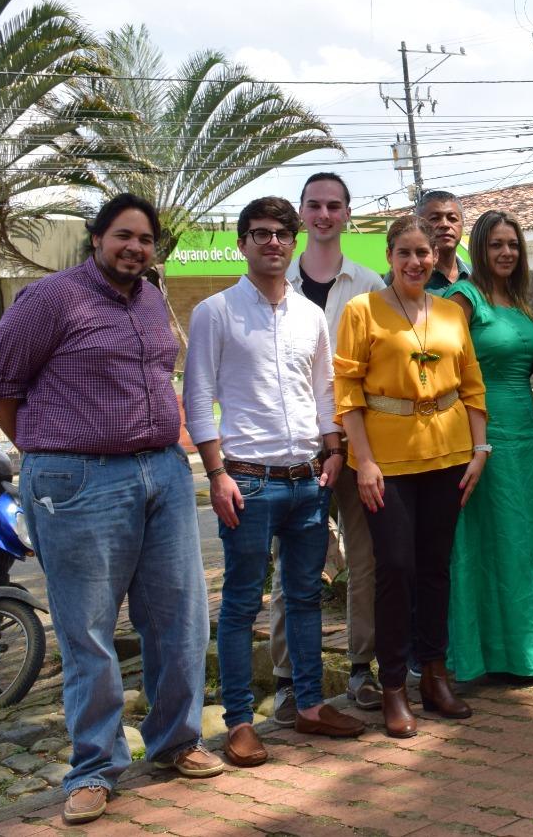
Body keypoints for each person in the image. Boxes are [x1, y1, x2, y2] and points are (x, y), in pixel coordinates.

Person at [0, 194, 223, 826]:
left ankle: (175, 742)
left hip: (162, 474)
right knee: (87, 630)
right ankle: (93, 768)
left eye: (145, 239)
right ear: (97, 238)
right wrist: (49, 447)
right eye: (123, 236)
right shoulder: (51, 299)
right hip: (77, 479)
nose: (134, 248)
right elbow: (0, 385)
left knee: (180, 617)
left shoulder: (150, 298)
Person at [184, 197, 366, 767]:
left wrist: (333, 451)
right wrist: (216, 473)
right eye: (259, 234)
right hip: (247, 480)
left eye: (281, 234)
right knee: (241, 604)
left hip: (308, 479)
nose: (272, 243)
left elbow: (323, 391)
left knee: (306, 596)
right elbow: (197, 397)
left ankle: (309, 706)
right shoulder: (215, 311)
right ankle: (239, 720)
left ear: (292, 243)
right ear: (242, 243)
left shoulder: (310, 316)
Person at [334, 215, 489, 735]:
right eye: (404, 252)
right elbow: (348, 391)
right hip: (386, 462)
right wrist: (365, 461)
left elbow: (472, 385)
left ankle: (435, 673)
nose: (415, 262)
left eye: (423, 252)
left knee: (435, 569)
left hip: (447, 457)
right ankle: (394, 683)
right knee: (395, 569)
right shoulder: (362, 310)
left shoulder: (451, 312)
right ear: (390, 255)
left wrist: (479, 448)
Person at [441, 211, 533, 681]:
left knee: (530, 536)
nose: (506, 253)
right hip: (482, 429)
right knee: (489, 538)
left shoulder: (522, 302)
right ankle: (490, 656)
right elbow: (445, 366)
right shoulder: (463, 298)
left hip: (526, 425)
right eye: (496, 244)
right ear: (479, 248)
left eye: (513, 245)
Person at [277, 171, 387, 716]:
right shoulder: (274, 286)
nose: (324, 214)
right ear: (302, 213)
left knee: (365, 558)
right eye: (314, 205)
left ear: (348, 214)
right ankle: (287, 680)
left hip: (357, 441)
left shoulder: (369, 285)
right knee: (293, 563)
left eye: (334, 205)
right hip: (294, 448)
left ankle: (362, 670)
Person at [385, 190, 471, 291]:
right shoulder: (401, 279)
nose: (445, 224)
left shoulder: (477, 276)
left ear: (462, 224)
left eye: (452, 218)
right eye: (435, 218)